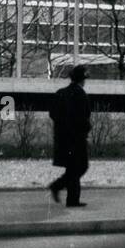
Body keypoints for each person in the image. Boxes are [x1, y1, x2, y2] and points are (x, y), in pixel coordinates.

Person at [47, 64, 92, 208]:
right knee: (81, 166)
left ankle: (71, 199)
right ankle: (57, 186)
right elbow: (84, 117)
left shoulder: (61, 93)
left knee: (73, 168)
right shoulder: (81, 94)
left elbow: (53, 114)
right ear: (82, 80)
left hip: (63, 139)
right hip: (77, 138)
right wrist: (85, 130)